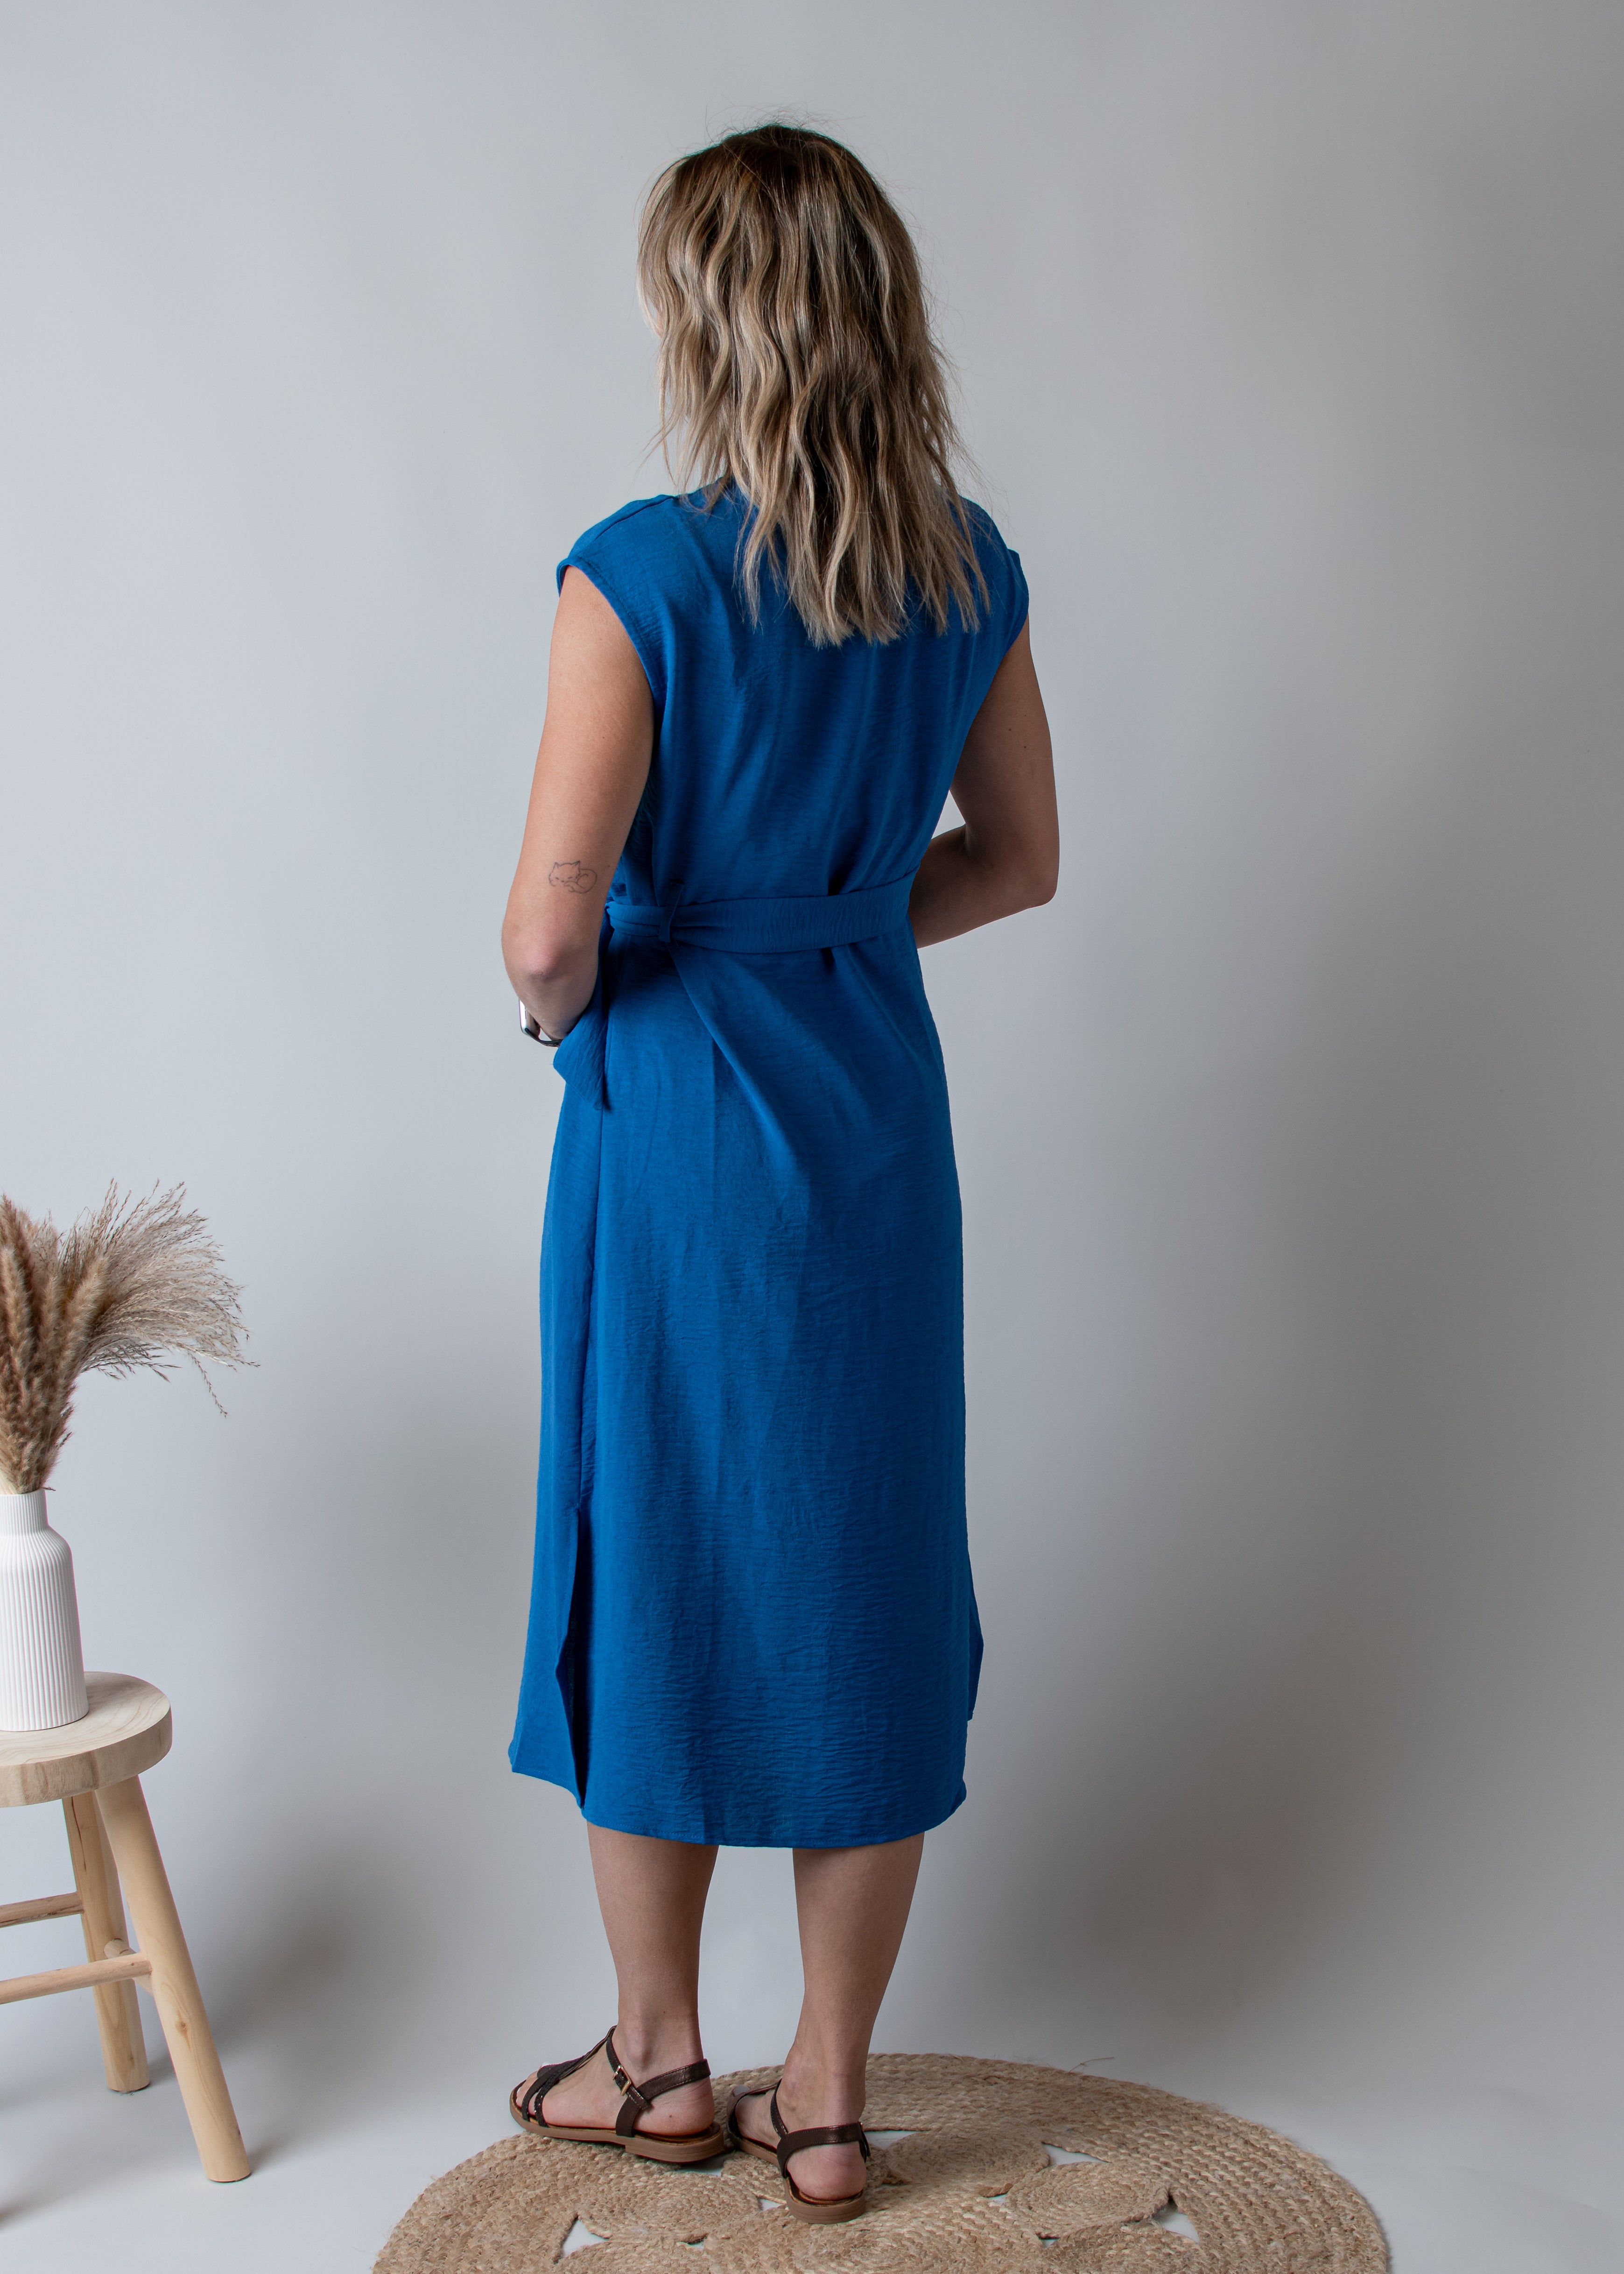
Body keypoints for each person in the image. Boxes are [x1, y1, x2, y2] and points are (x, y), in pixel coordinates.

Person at [500, 122, 1057, 2226]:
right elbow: (1019, 859)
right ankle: (826, 2099)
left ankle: (656, 2063)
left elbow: (547, 937)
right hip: (876, 1139)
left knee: (649, 1555)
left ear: (706, 327)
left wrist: (584, 1012)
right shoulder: (964, 571)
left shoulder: (638, 573)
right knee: (863, 1575)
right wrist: (824, 928)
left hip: (675, 1143)